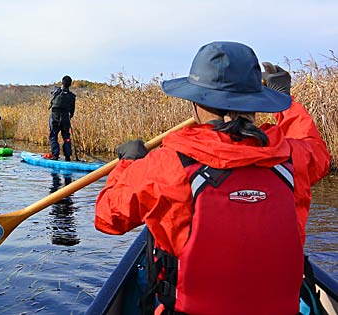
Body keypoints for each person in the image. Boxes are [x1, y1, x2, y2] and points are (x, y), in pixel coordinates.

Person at [94, 41, 331, 315]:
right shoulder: (293, 158)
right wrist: (285, 102)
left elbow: (108, 217)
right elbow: (315, 147)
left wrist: (128, 164)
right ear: (257, 101)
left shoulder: (166, 164)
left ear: (196, 103)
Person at [47, 76, 76, 161]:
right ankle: (67, 156)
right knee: (66, 137)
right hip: (65, 119)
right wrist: (69, 117)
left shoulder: (56, 91)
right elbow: (72, 111)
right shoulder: (72, 96)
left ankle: (55, 155)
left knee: (53, 136)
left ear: (62, 83)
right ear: (70, 84)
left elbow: (52, 91)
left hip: (55, 118)